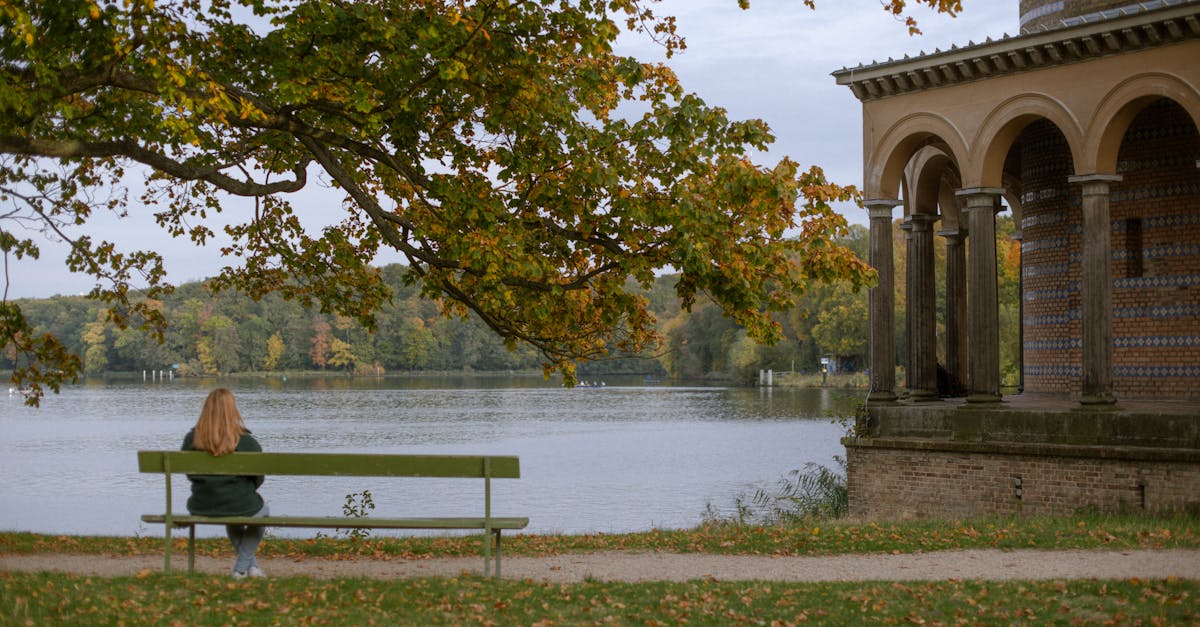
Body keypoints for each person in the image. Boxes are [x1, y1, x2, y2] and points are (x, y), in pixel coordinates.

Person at [182, 388, 269, 579]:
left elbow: (190, 475)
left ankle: (251, 567)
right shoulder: (246, 443)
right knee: (262, 512)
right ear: (233, 410)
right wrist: (243, 490)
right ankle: (240, 570)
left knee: (233, 517)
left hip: (202, 505)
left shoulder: (192, 439)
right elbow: (258, 477)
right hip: (240, 503)